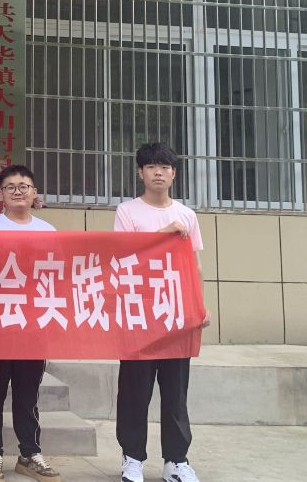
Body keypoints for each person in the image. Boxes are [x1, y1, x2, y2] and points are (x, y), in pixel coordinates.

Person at [113, 142, 208, 482]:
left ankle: (176, 461)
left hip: (176, 315)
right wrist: (163, 234)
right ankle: (132, 459)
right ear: (140, 172)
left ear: (174, 174)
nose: (158, 172)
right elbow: (124, 257)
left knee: (176, 392)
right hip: (139, 315)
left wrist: (199, 306)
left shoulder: (187, 215)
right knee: (134, 391)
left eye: (164, 167)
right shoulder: (127, 211)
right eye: (151, 166)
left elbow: (194, 266)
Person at [0, 164, 62, 482]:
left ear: (34, 192)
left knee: (28, 394)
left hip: (33, 327)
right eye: (10, 186)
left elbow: (56, 278)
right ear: (0, 193)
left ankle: (29, 453)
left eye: (23, 186)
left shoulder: (48, 232)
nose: (17, 191)